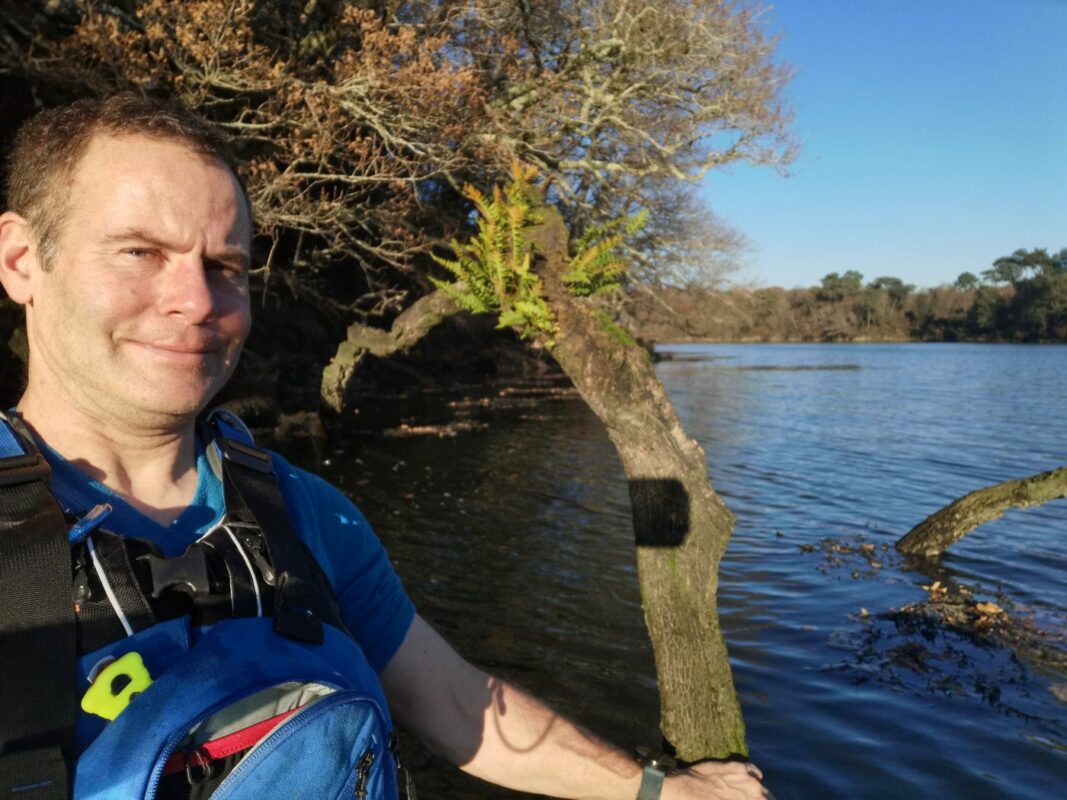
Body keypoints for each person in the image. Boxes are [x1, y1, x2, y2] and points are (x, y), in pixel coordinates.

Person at [0, 94, 766, 800]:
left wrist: (663, 792)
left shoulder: (304, 514)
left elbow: (457, 705)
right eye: (139, 251)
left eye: (224, 266)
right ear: (21, 260)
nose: (197, 302)